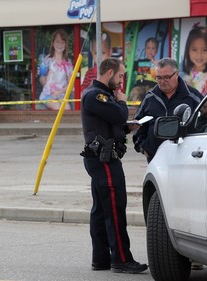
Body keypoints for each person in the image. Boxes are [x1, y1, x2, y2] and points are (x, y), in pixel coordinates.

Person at [81, 57, 148, 274]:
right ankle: (121, 259)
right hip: (104, 159)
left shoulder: (103, 96)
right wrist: (122, 101)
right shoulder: (95, 95)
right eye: (120, 76)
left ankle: (101, 259)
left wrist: (128, 128)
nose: (121, 82)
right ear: (109, 72)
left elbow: (112, 124)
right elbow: (119, 114)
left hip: (102, 157)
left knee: (101, 210)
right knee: (115, 209)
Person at [133, 58, 203, 163]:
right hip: (155, 159)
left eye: (166, 77)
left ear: (177, 74)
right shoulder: (150, 97)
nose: (162, 81)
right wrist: (143, 148)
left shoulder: (193, 97)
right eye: (158, 78)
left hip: (186, 159)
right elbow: (138, 125)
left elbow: (205, 123)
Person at [38, 29, 73, 110]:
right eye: (57, 41)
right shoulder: (47, 60)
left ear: (65, 44)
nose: (60, 45)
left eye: (62, 42)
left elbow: (71, 84)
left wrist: (59, 92)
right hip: (48, 95)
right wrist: (42, 75)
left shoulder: (68, 63)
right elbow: (43, 81)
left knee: (67, 108)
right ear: (53, 43)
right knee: (57, 107)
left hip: (62, 95)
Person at [182, 25, 207, 96]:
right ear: (188, 50)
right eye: (194, 50)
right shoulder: (190, 71)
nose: (199, 55)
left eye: (204, 50)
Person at [129, 37, 159, 102]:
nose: (150, 50)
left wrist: (155, 64)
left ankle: (149, 110)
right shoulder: (139, 62)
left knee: (152, 95)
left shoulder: (158, 63)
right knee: (134, 93)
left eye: (153, 48)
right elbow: (129, 66)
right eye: (148, 48)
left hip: (152, 86)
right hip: (140, 85)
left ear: (156, 51)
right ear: (145, 49)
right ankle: (136, 110)